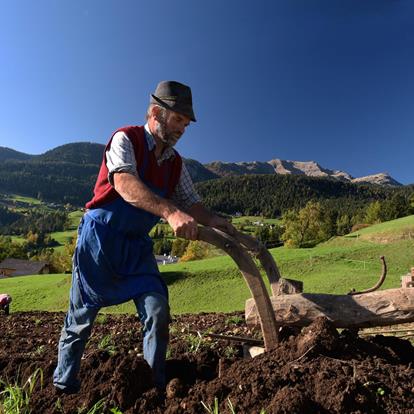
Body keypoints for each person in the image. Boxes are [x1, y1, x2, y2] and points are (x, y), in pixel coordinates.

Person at [53, 80, 236, 394]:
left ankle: (152, 388)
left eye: (186, 123)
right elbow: (124, 183)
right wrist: (169, 212)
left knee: (157, 308)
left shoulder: (176, 164)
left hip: (136, 247)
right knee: (80, 319)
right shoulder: (126, 138)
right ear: (156, 113)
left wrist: (222, 223)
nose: (182, 129)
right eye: (178, 119)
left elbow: (193, 206)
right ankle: (63, 386)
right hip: (100, 240)